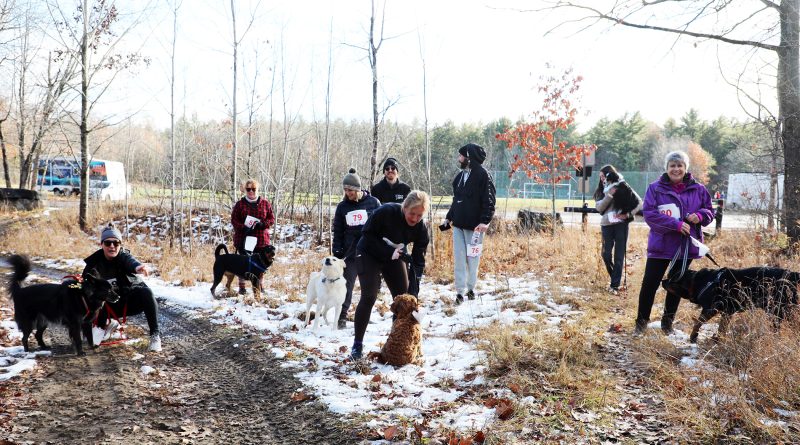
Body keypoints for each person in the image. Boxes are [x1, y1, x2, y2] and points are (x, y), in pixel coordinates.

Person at [635, 150, 714, 334]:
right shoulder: (655, 188)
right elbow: (650, 215)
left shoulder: (699, 189)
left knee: (676, 285)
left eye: (680, 165)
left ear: (686, 168)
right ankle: (641, 324)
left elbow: (710, 211)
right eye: (672, 165)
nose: (676, 169)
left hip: (685, 247)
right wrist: (675, 225)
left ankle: (667, 324)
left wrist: (700, 215)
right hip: (661, 245)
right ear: (667, 168)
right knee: (649, 285)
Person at [350, 190, 430, 359]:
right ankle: (357, 345)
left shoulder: (421, 228)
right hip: (368, 253)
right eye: (412, 213)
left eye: (419, 215)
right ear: (404, 207)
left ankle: (395, 343)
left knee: (404, 299)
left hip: (394, 257)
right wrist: (388, 252)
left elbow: (417, 262)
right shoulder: (386, 212)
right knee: (369, 296)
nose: (415, 219)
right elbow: (367, 235)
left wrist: (414, 293)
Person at [84, 224, 161, 352]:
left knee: (146, 292)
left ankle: (155, 336)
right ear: (101, 244)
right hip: (105, 308)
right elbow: (86, 288)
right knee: (91, 341)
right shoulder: (94, 263)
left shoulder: (123, 257)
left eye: (116, 243)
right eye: (108, 243)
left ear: (120, 245)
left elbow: (131, 261)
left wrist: (138, 268)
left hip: (127, 302)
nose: (112, 246)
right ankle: (104, 326)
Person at [442, 143, 496, 305]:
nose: (459, 159)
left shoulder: (483, 175)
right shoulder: (459, 177)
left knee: (472, 259)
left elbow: (489, 200)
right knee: (459, 258)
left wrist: (485, 221)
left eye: (461, 156)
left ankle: (471, 289)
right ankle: (460, 292)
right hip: (458, 225)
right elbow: (456, 201)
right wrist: (448, 218)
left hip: (475, 228)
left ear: (469, 157)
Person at [332, 168, 380, 329]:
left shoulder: (373, 203)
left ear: (357, 189)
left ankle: (365, 315)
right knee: (347, 285)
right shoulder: (342, 207)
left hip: (369, 251)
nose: (348, 193)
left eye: (350, 190)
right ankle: (341, 317)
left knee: (370, 287)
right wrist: (337, 251)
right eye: (345, 190)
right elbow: (337, 230)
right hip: (350, 252)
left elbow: (381, 226)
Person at [594, 165, 642, 295]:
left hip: (621, 225)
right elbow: (599, 208)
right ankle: (614, 276)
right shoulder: (601, 190)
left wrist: (627, 215)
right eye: (600, 177)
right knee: (606, 254)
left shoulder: (623, 186)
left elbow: (639, 203)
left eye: (604, 176)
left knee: (619, 256)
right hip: (606, 225)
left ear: (610, 174)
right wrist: (609, 195)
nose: (602, 179)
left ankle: (615, 285)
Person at [231, 178, 275, 295]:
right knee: (243, 262)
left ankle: (259, 287)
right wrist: (242, 227)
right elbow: (234, 220)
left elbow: (271, 219)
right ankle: (242, 287)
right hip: (244, 237)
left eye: (253, 189)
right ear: (245, 190)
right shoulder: (240, 204)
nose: (251, 191)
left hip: (261, 238)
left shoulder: (265, 203)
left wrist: (263, 224)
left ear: (257, 189)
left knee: (261, 264)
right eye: (248, 189)